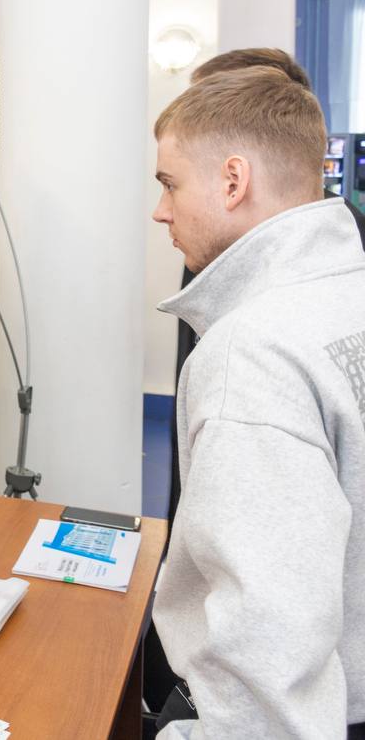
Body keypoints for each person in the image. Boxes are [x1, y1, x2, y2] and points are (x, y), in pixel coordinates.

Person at [149, 66, 364, 738]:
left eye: (170, 183)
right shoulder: (346, 293)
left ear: (232, 181)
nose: (161, 210)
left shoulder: (252, 352)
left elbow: (267, 648)